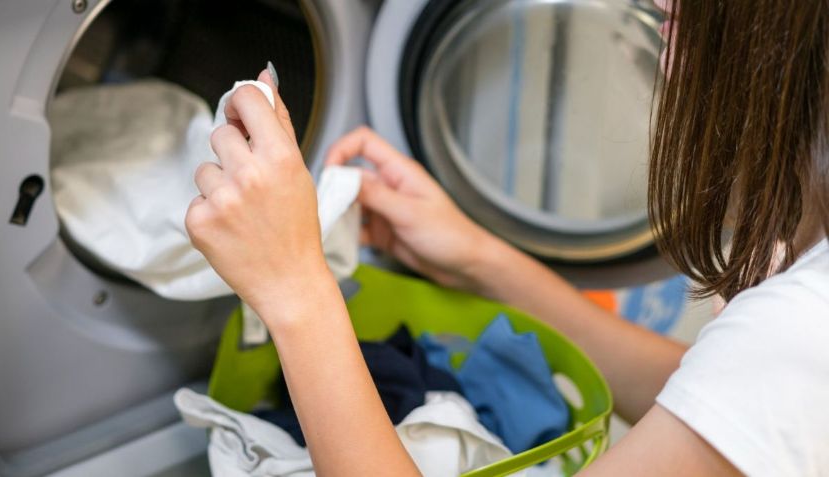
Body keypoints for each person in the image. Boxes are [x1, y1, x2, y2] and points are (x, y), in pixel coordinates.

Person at [184, 0, 829, 475]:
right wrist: (475, 258)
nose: (661, 5)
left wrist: (296, 289)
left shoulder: (803, 327)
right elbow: (716, 396)